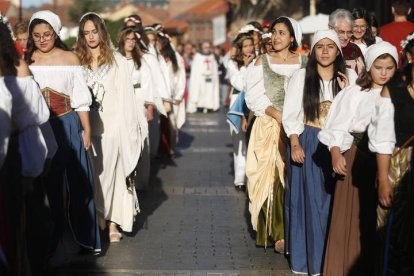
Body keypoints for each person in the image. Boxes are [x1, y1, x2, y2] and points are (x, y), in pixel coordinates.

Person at [25, 11, 102, 258]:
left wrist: (87, 130)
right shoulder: (27, 60)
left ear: (56, 33)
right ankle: (52, 237)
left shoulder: (71, 58)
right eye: (37, 36)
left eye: (47, 34)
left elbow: (80, 99)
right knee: (47, 185)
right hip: (40, 128)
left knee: (76, 183)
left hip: (67, 124)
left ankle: (81, 237)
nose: (43, 40)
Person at [319, 41, 398, 275]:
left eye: (389, 68)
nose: (383, 73)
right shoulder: (355, 93)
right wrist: (335, 153)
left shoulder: (400, 94)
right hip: (359, 158)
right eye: (378, 67)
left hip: (393, 161)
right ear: (369, 67)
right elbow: (336, 125)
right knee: (353, 217)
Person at [282, 29, 357, 275]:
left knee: (337, 202)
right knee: (312, 203)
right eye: (320, 46)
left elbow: (357, 112)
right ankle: (313, 261)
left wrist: (347, 90)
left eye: (330, 46)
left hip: (342, 142)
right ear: (314, 51)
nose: (325, 51)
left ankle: (336, 258)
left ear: (338, 51)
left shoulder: (350, 76)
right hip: (311, 141)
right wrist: (295, 142)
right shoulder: (302, 76)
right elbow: (291, 112)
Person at [75, 12, 141, 242]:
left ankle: (113, 222)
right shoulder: (76, 60)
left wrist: (129, 130)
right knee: (92, 177)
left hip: (112, 127)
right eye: (86, 33)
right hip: (86, 128)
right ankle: (96, 219)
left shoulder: (118, 61)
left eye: (94, 31)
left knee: (113, 174)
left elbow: (127, 99)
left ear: (101, 32)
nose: (91, 37)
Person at [245, 16, 306, 252]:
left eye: (282, 33)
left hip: (298, 126)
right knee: (271, 178)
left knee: (293, 177)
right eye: (274, 32)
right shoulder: (263, 61)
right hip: (269, 125)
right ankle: (275, 232)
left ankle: (293, 231)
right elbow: (254, 97)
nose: (276, 37)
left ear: (292, 37)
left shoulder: (303, 62)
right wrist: (276, 114)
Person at [371, 36, 414, 275]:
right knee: (393, 228)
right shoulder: (393, 91)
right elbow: (383, 139)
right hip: (399, 164)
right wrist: (384, 179)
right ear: (410, 57)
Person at [117, 26, 155, 190]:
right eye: (128, 39)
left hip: (138, 100)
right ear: (122, 40)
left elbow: (148, 85)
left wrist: (149, 107)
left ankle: (140, 180)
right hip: (121, 102)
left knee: (141, 138)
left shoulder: (141, 61)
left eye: (134, 40)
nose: (131, 43)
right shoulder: (115, 59)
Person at [226, 32, 255, 190]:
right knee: (239, 143)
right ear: (240, 48)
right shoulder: (232, 64)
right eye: (246, 46)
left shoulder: (257, 61)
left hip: (251, 104)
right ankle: (240, 179)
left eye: (251, 45)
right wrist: (245, 66)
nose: (249, 48)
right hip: (237, 103)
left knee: (251, 141)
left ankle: (250, 177)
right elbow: (238, 84)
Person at [157, 32, 186, 156]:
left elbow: (181, 77)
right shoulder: (156, 58)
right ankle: (159, 148)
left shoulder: (176, 58)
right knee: (158, 125)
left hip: (172, 97)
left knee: (172, 124)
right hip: (159, 97)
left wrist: (179, 95)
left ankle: (171, 147)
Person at [329, 8, 365, 75]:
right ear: (330, 28)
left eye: (349, 32)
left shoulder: (355, 49)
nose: (346, 37)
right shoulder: (320, 48)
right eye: (341, 32)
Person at [187, 41, 220, 113]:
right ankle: (200, 106)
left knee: (209, 92)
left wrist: (214, 77)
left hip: (210, 78)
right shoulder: (198, 56)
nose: (207, 49)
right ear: (202, 47)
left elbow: (214, 68)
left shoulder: (212, 56)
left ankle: (209, 106)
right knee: (201, 92)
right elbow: (195, 69)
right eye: (205, 47)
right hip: (200, 78)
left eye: (208, 47)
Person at [381, 0, 414, 68]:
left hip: (390, 70)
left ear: (393, 9)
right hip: (410, 70)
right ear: (409, 11)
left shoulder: (382, 30)